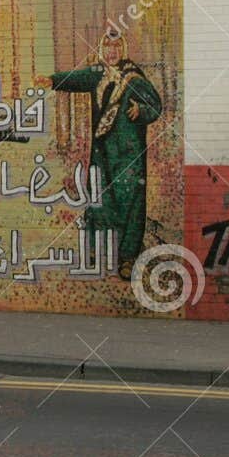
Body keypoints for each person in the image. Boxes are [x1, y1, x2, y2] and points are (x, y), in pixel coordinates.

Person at [40, 30, 162, 279]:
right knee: (99, 197)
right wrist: (52, 80)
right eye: (108, 48)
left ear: (123, 50)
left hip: (128, 154)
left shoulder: (134, 79)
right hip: (102, 150)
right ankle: (95, 250)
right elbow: (77, 78)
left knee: (131, 202)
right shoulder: (98, 74)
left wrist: (140, 110)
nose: (112, 52)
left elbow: (156, 106)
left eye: (116, 47)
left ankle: (128, 257)